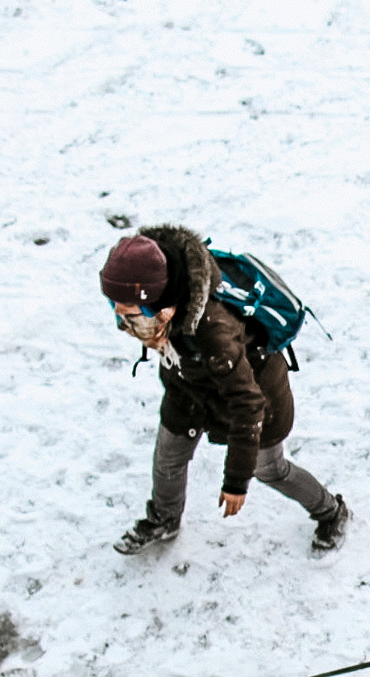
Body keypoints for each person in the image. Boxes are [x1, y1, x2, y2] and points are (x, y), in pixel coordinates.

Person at [99, 228, 350, 557]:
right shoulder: (160, 284)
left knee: (269, 469)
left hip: (257, 395)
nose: (120, 318)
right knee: (168, 459)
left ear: (158, 302)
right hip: (189, 387)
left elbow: (249, 404)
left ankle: (331, 512)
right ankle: (165, 518)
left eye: (131, 311)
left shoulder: (213, 330)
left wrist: (235, 481)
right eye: (112, 304)